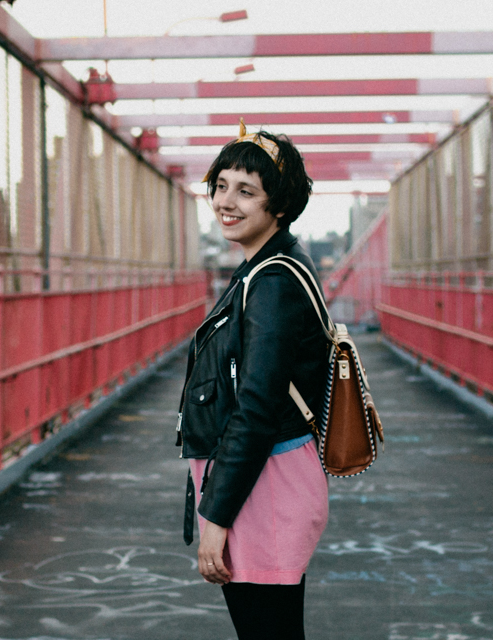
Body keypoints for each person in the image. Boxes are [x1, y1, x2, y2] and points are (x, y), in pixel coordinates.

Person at [176, 120, 330, 639]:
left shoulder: (272, 283)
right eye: (221, 185)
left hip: (261, 487)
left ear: (278, 206)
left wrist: (214, 517)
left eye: (247, 191)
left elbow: (258, 406)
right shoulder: (265, 269)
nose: (227, 201)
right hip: (261, 480)